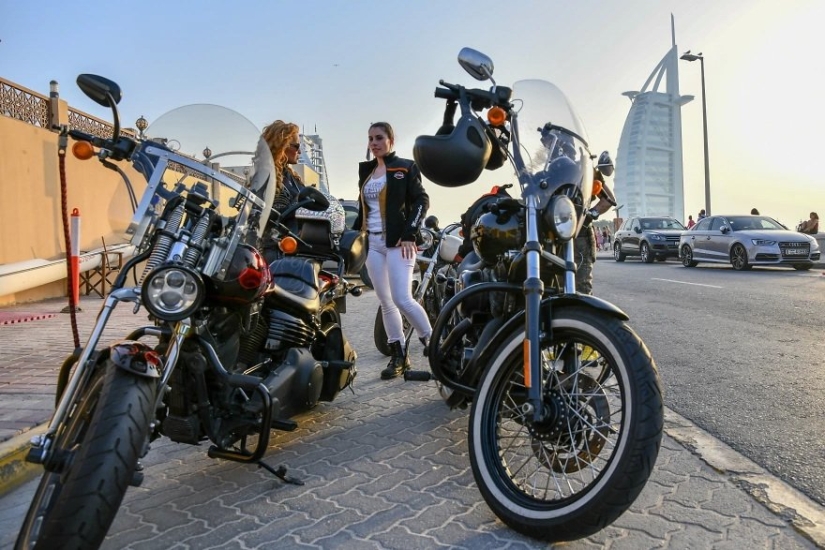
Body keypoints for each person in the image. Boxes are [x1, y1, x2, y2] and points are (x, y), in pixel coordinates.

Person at [352, 122, 431, 379]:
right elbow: (364, 208)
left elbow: (422, 200)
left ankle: (434, 344)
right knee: (385, 301)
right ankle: (399, 356)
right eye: (370, 138)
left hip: (399, 243)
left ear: (391, 140)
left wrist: (410, 233)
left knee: (402, 298)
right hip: (373, 243)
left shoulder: (405, 167)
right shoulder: (367, 172)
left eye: (379, 138)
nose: (374, 143)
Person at [260, 120, 306, 263]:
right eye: (297, 146)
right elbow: (267, 215)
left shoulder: (291, 176)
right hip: (277, 251)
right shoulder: (266, 176)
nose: (300, 151)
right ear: (283, 146)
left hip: (295, 247)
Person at [576, 169, 617, 294]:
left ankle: (582, 312)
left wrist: (588, 215)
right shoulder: (546, 168)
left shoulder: (585, 169)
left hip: (579, 232)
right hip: (548, 230)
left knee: (582, 286)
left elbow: (608, 199)